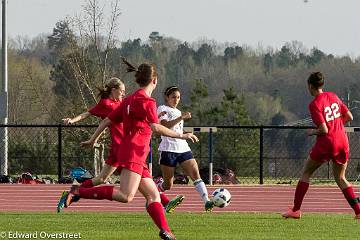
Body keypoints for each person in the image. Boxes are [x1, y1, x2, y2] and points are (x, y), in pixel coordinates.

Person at [58, 58, 199, 240]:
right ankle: (78, 191)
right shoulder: (147, 102)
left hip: (134, 152)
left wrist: (92, 140)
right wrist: (182, 135)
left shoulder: (130, 99)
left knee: (154, 196)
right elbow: (156, 128)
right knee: (125, 195)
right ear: (154, 80)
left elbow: (107, 120)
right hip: (135, 152)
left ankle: (166, 231)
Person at [57, 78, 181, 213]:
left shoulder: (125, 103)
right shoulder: (106, 104)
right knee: (133, 182)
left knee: (103, 178)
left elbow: (144, 116)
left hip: (128, 148)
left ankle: (74, 192)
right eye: (121, 91)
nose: (123, 93)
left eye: (124, 91)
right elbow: (88, 114)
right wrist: (72, 121)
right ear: (113, 90)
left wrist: (156, 115)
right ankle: (76, 192)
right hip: (122, 149)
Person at [282, 72, 360, 219]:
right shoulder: (334, 96)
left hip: (327, 143)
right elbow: (349, 117)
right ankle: (358, 211)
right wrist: (336, 126)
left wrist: (312, 132)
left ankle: (296, 210)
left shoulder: (315, 104)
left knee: (306, 173)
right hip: (343, 140)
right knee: (341, 178)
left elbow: (324, 130)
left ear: (310, 86)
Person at [156, 86, 214, 212]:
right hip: (168, 150)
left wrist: (188, 134)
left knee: (195, 175)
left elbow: (177, 130)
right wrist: (181, 118)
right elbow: (165, 126)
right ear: (167, 97)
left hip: (183, 148)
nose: (176, 100)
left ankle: (207, 202)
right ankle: (155, 191)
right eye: (173, 97)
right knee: (168, 185)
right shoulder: (162, 109)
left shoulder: (177, 111)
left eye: (178, 97)